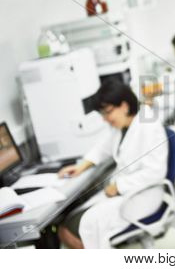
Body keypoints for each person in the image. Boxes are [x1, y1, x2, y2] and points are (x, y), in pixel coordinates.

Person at [58, 79, 168, 248]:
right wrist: (81, 166)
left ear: (124, 106)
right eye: (102, 114)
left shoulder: (148, 126)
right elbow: (103, 148)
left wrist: (119, 186)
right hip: (127, 193)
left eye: (108, 112)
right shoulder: (124, 126)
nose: (105, 119)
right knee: (71, 221)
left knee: (70, 229)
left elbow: (155, 172)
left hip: (142, 196)